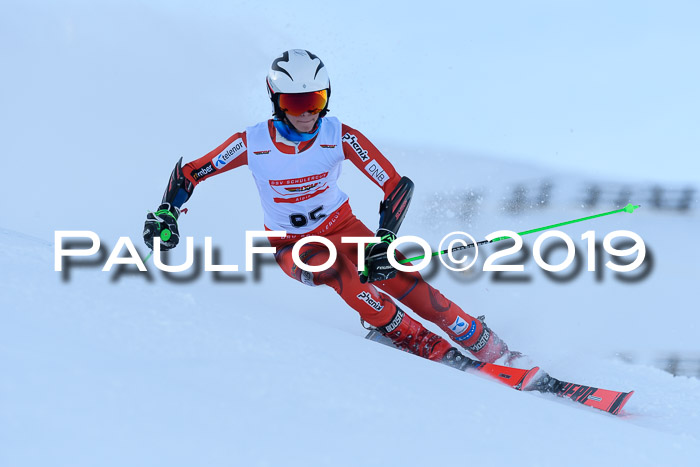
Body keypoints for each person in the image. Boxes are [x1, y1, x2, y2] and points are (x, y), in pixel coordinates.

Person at [143, 49, 522, 368]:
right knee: (336, 269)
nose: (308, 113)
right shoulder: (252, 142)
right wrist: (167, 213)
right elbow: (192, 173)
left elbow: (395, 185)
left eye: (317, 101)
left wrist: (384, 240)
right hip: (291, 245)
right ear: (276, 101)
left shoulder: (338, 136)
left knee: (407, 284)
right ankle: (417, 342)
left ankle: (495, 352)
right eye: (296, 103)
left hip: (345, 227)